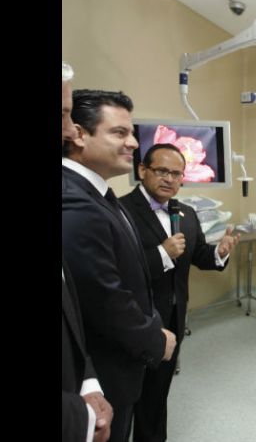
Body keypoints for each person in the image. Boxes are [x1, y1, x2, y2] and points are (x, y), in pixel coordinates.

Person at [62, 89, 177, 442]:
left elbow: (130, 274)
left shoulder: (100, 194)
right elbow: (104, 297)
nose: (133, 143)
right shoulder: (74, 201)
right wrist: (154, 339)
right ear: (79, 134)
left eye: (132, 133)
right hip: (102, 369)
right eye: (119, 132)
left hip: (124, 358)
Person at [119, 143, 240, 442]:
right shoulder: (120, 211)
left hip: (173, 316)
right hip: (133, 322)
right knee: (124, 400)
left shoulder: (186, 213)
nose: (169, 179)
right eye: (162, 171)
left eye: (176, 174)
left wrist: (219, 252)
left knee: (157, 395)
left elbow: (198, 255)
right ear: (142, 170)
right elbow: (117, 272)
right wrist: (162, 253)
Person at [61, 63, 114, 442]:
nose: (70, 131)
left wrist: (87, 381)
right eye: (63, 115)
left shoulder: (105, 199)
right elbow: (103, 290)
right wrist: (80, 419)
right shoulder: (75, 203)